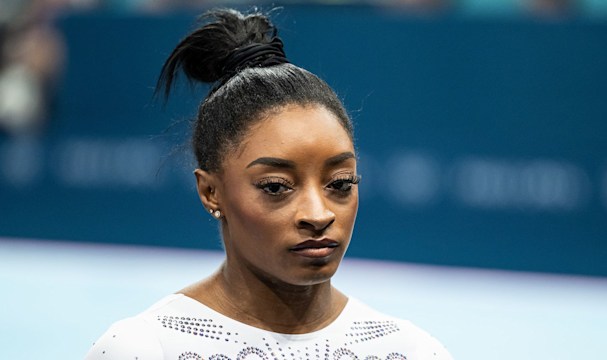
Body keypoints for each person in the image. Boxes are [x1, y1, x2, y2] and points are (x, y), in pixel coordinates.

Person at [85, 8, 453, 360]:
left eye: (340, 183)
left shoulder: (412, 352)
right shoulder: (145, 349)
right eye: (277, 187)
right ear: (210, 192)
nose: (318, 214)